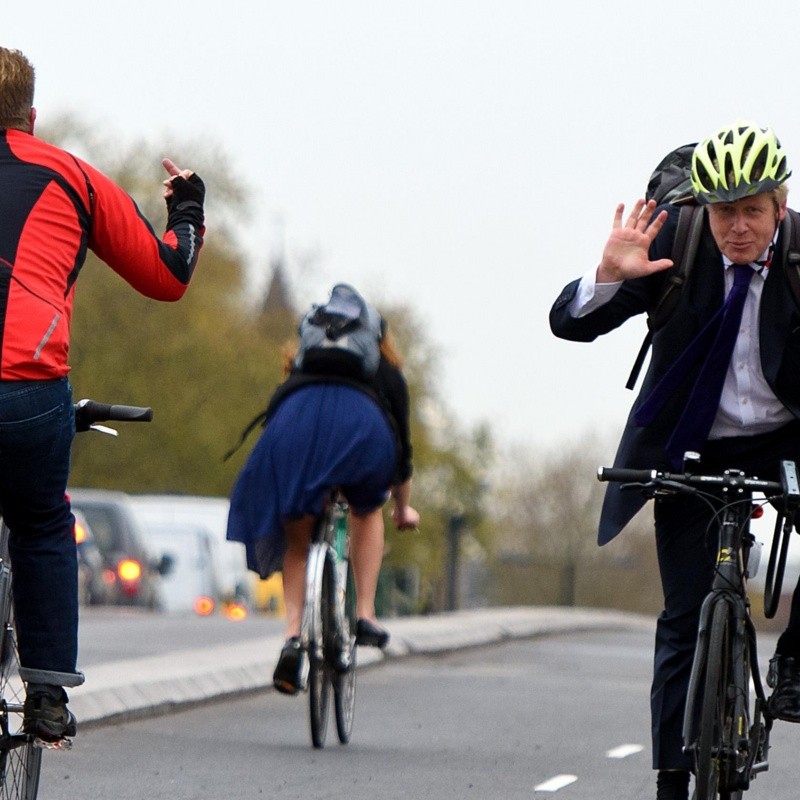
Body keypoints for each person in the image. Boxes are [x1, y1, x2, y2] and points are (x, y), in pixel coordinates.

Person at [550, 120, 800, 800]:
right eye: (725, 212)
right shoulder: (675, 242)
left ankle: (796, 658)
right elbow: (570, 323)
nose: (738, 228)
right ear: (704, 208)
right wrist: (604, 279)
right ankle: (671, 773)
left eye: (753, 210)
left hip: (787, 435)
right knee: (684, 615)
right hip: (692, 437)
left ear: (780, 204)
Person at [0, 47, 205, 741]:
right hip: (30, 392)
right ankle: (49, 690)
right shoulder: (72, 178)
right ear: (31, 115)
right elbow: (168, 275)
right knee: (42, 523)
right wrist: (187, 208)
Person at [226, 283, 419, 695]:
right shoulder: (385, 372)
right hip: (361, 428)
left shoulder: (301, 365)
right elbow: (402, 453)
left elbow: (275, 415)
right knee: (368, 508)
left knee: (299, 541)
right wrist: (403, 508)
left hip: (296, 425)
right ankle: (365, 614)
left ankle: (294, 635)